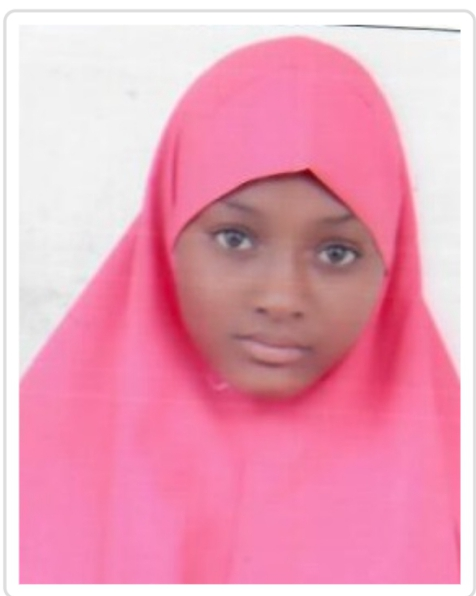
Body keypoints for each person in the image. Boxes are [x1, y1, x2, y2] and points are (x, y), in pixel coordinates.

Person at [20, 35, 460, 584]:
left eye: (336, 253)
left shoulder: (454, 488)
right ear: (167, 232)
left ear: (392, 260)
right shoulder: (29, 467)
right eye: (235, 238)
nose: (282, 298)